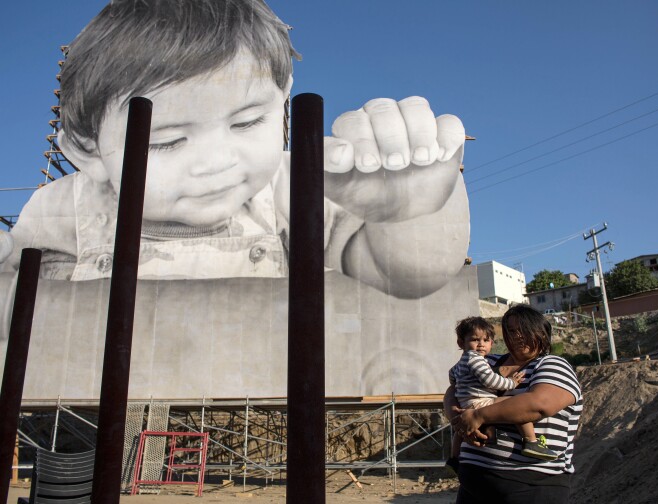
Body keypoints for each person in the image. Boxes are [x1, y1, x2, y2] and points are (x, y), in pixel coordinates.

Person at [0, 0, 469, 299]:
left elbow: (404, 277)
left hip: (261, 402)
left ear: (282, 99)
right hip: (96, 412)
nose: (216, 161)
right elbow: (14, 312)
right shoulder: (62, 206)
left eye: (247, 122)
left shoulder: (292, 186)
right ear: (87, 151)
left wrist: (408, 212)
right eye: (167, 140)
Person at [444, 305, 583, 503]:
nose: (517, 336)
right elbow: (453, 389)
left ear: (542, 333)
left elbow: (538, 404)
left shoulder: (552, 364)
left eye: (524, 329)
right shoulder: (487, 360)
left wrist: (478, 416)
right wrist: (458, 419)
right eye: (511, 330)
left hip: (530, 486)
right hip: (473, 483)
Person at [446, 316, 557, 472]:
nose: (480, 344)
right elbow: (490, 380)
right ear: (461, 343)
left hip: (467, 402)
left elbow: (452, 378)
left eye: (485, 340)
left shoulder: (461, 362)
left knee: (459, 431)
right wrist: (511, 383)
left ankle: (454, 459)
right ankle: (531, 441)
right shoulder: (478, 360)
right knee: (515, 405)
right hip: (480, 400)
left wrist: (462, 387)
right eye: (475, 340)